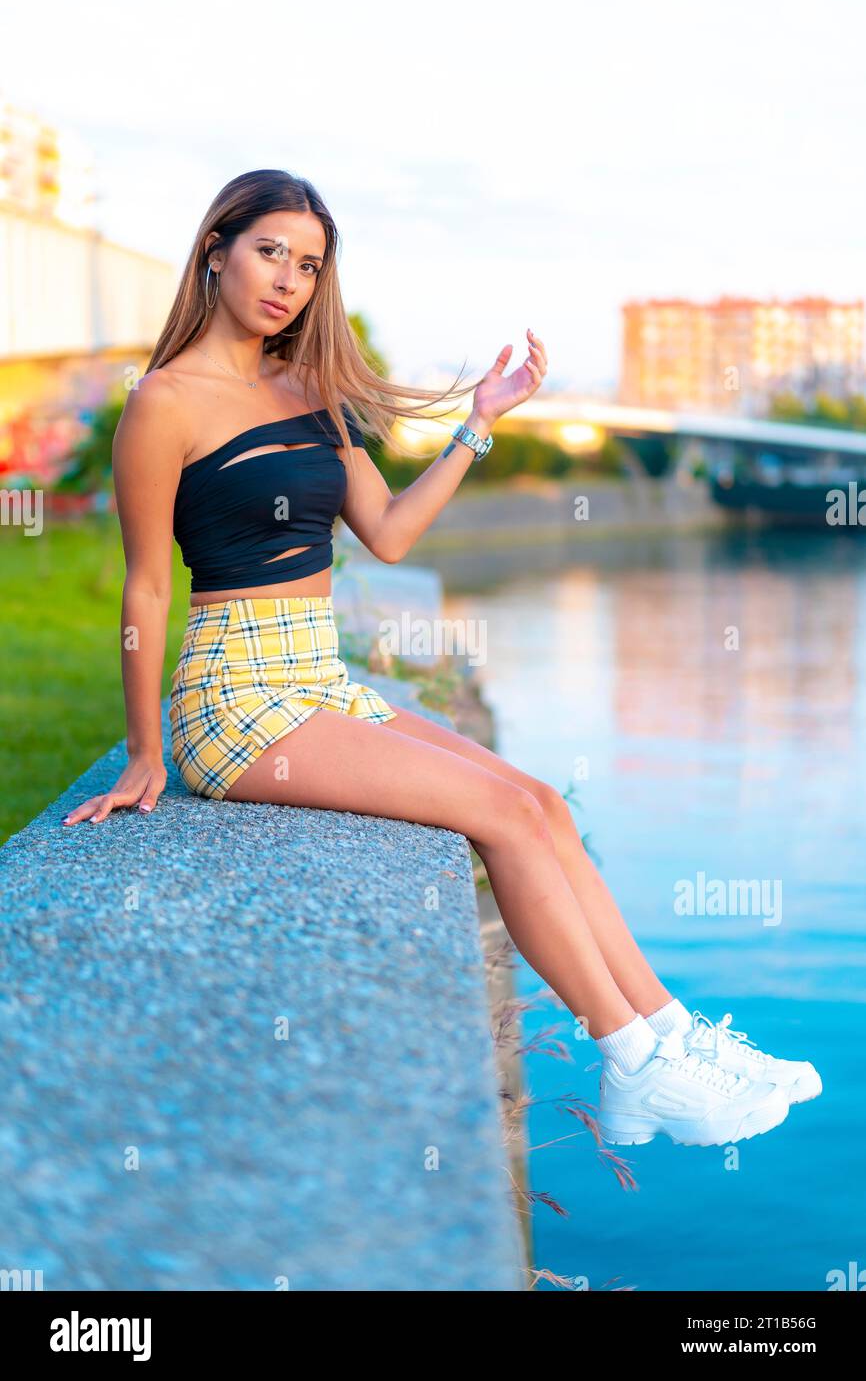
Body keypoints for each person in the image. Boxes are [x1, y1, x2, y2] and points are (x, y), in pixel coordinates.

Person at [60, 168, 821, 1147]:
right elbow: (145, 588)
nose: (287, 279)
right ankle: (628, 1056)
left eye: (308, 264)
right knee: (502, 816)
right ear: (215, 248)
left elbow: (388, 532)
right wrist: (142, 751)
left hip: (314, 679)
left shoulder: (309, 391)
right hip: (234, 697)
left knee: (540, 800)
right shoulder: (163, 401)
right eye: (269, 252)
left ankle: (673, 1040)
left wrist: (479, 422)